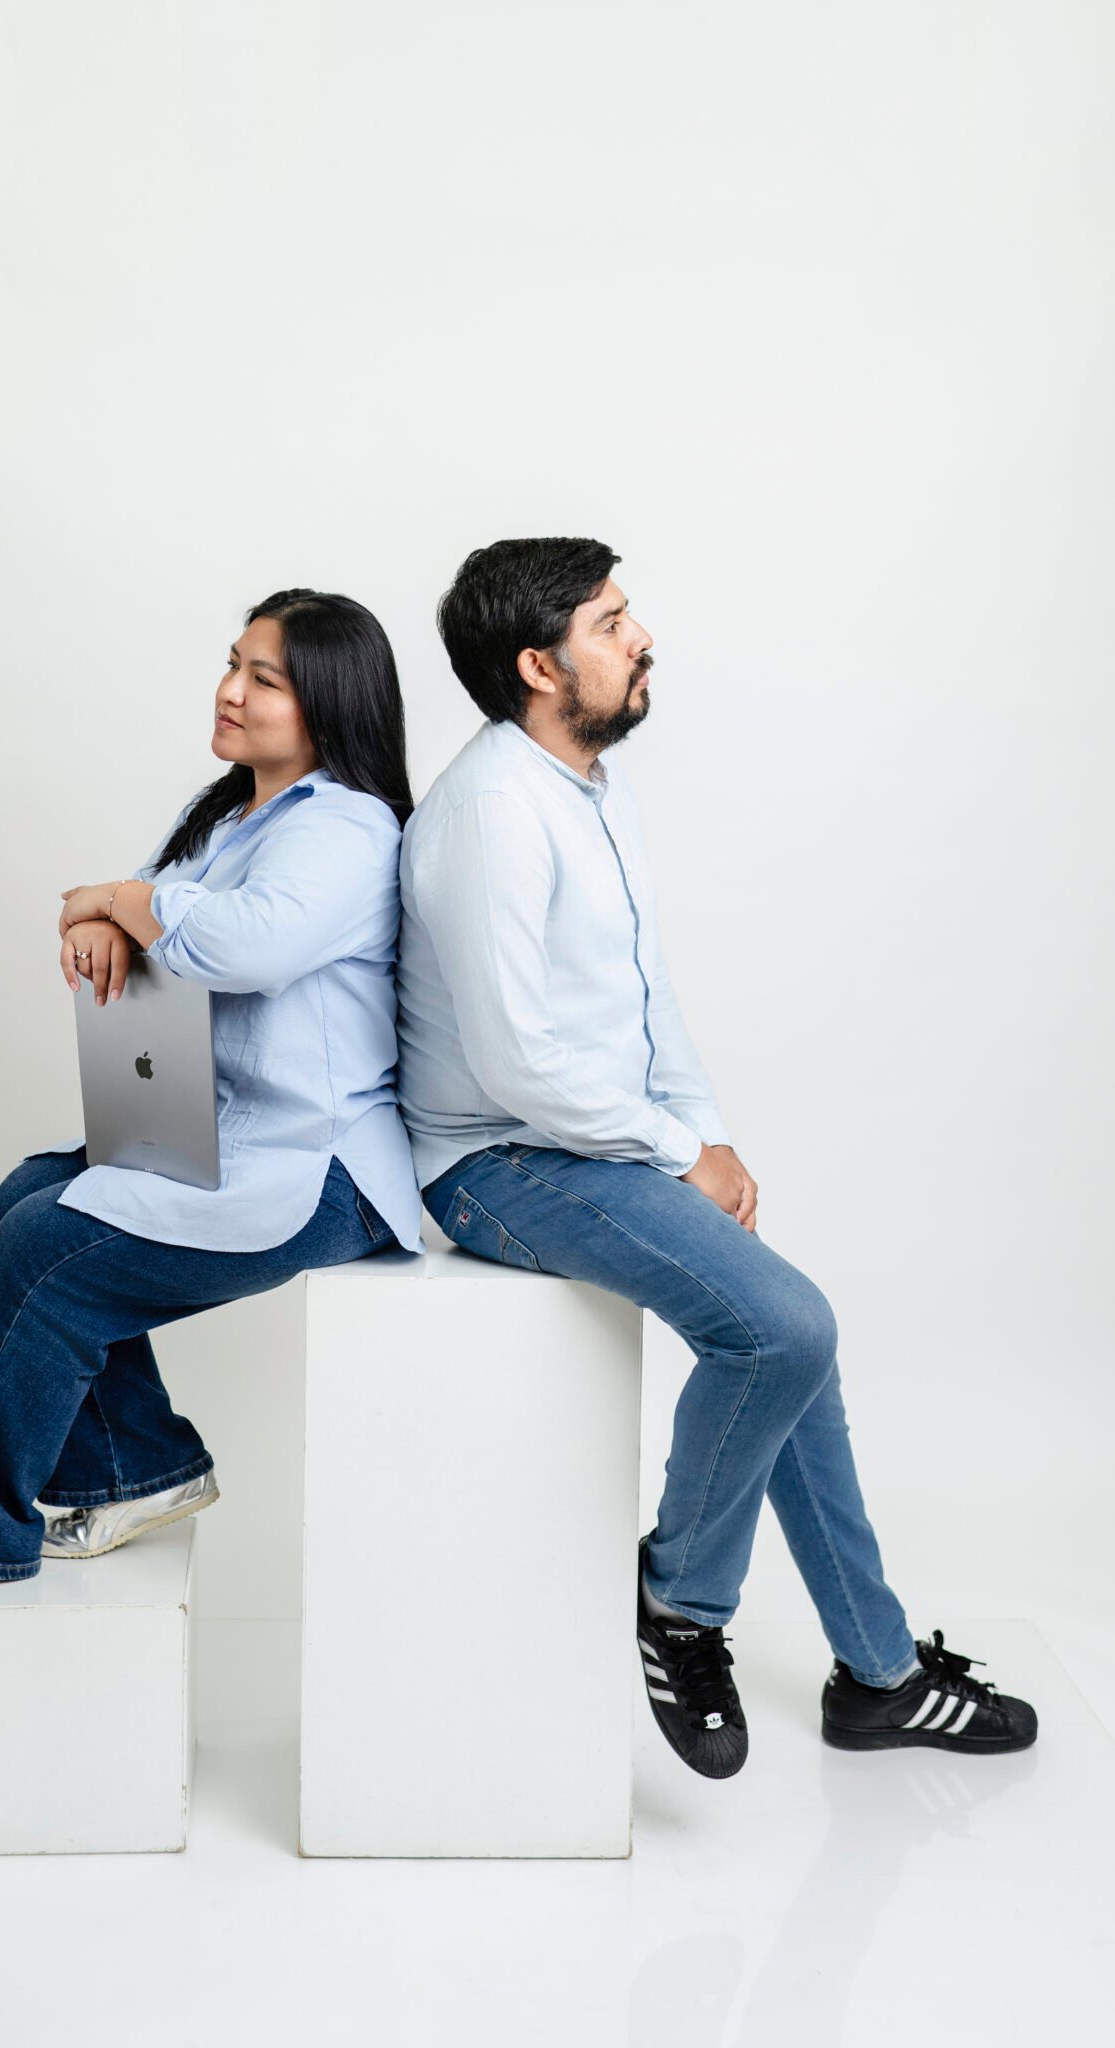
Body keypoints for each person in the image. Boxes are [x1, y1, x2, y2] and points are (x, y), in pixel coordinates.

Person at [395, 536, 1037, 1778]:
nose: (642, 637)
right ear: (539, 666)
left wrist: (708, 1132)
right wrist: (675, 1146)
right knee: (785, 1330)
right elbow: (518, 1062)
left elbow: (645, 991)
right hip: (496, 1162)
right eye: (610, 622)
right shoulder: (491, 814)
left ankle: (879, 1673)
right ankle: (679, 1601)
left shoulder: (589, 783)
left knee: (792, 1346)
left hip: (595, 1141)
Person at [0, 588, 424, 1595]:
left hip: (320, 1170)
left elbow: (247, 946)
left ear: (329, 703)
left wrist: (117, 900)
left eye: (264, 679)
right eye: (231, 664)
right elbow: (142, 907)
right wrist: (108, 913)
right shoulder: (229, 815)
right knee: (28, 1192)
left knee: (48, 1246)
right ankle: (137, 1467)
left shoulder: (349, 828)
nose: (230, 691)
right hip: (221, 1134)